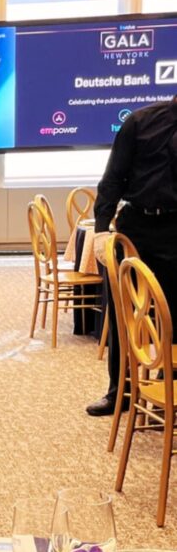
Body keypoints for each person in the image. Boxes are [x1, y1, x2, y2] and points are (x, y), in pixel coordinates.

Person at [87, 96, 177, 416]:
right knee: (124, 313)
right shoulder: (140, 122)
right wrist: (101, 230)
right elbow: (113, 179)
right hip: (138, 229)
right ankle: (120, 391)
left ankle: (169, 387)